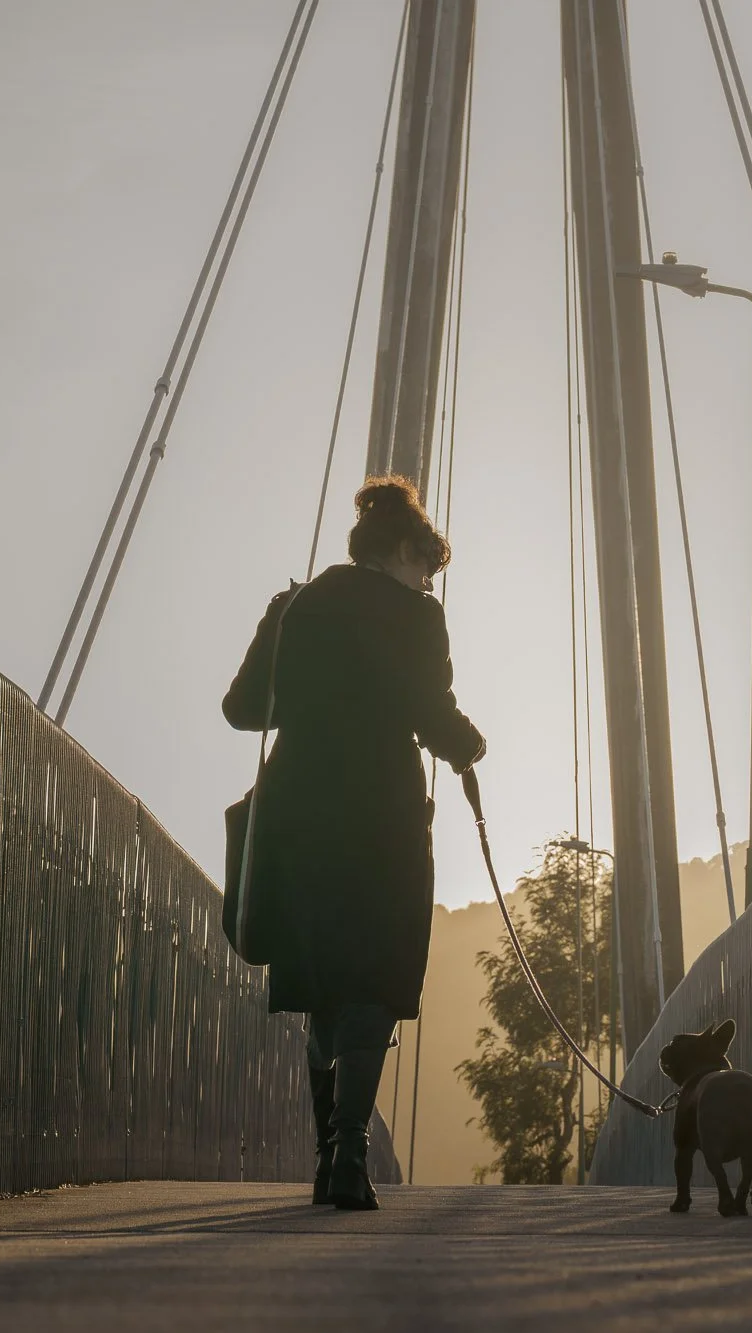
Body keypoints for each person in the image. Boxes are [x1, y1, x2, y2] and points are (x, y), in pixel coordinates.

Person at [222, 476, 485, 1210]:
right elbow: (430, 712)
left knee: (323, 985)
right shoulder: (416, 617)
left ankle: (323, 1157)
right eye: (425, 567)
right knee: (374, 979)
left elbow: (242, 710)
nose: (426, 581)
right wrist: (469, 746)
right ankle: (349, 1154)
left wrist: (307, 686)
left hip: (296, 813)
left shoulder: (293, 604)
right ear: (404, 552)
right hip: (382, 818)